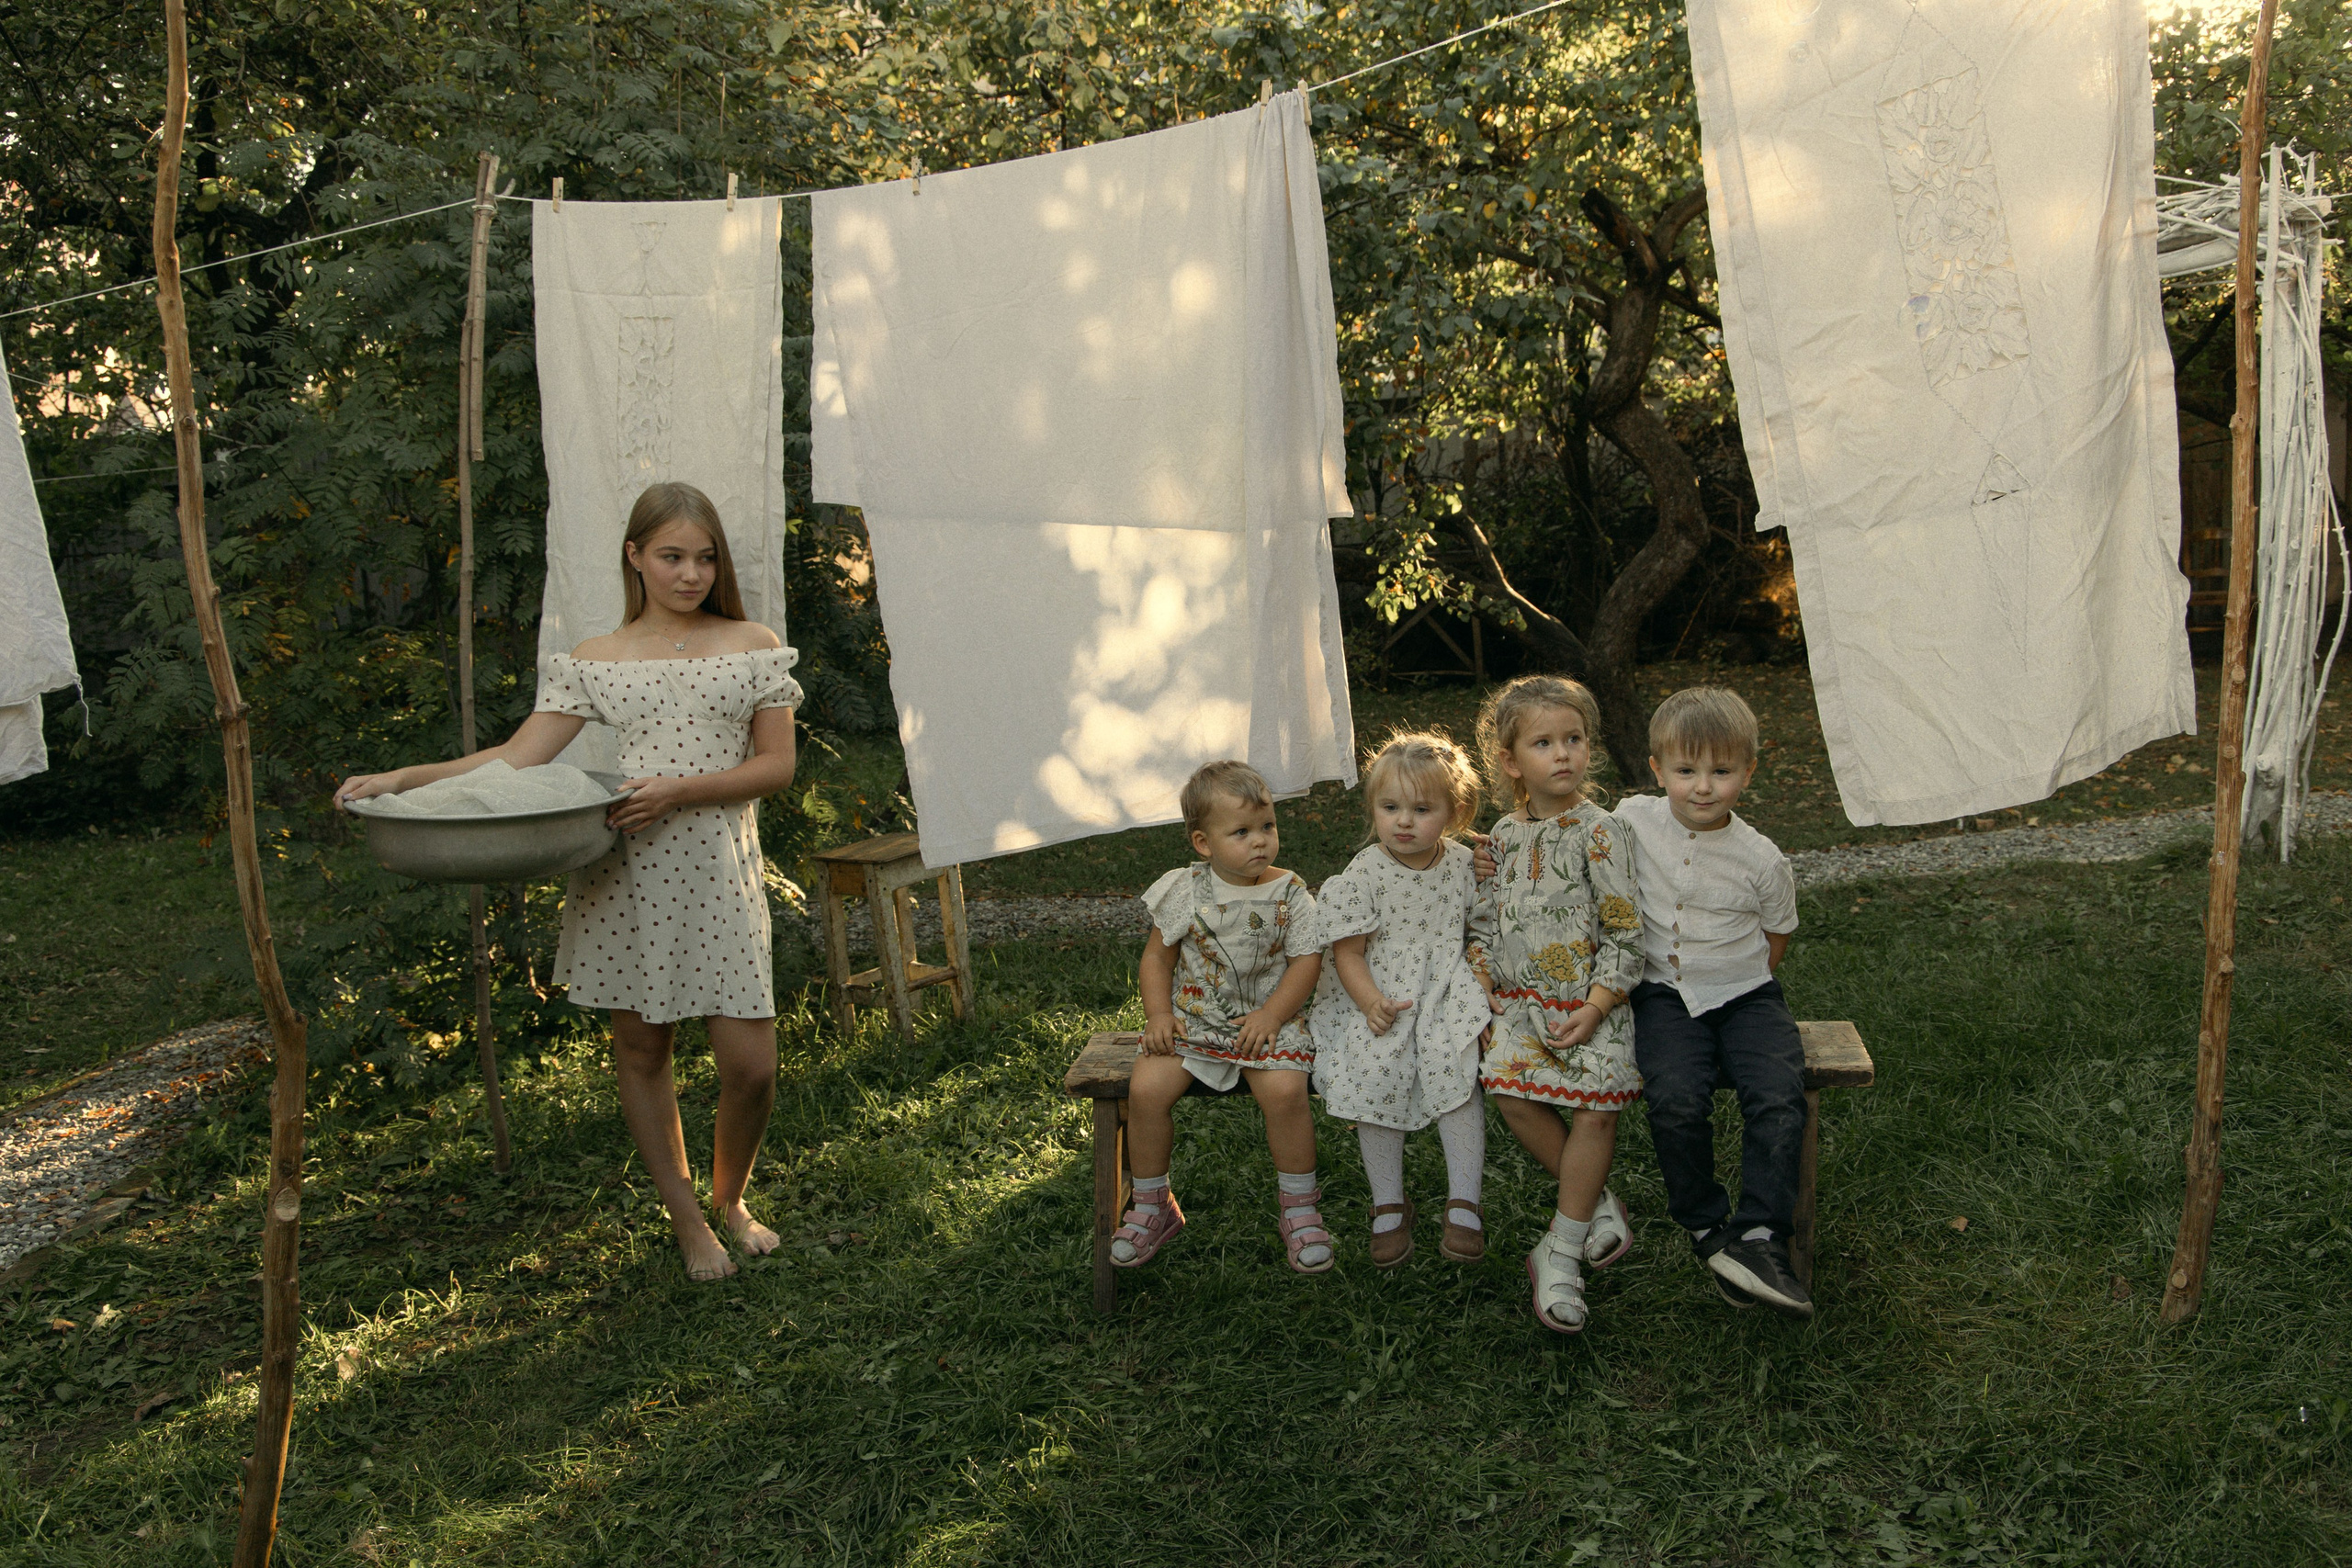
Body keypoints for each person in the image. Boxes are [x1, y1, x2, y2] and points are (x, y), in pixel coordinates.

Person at [336, 481, 800, 1283]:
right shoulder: (598, 659)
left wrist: (678, 791)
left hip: (720, 873)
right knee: (642, 1046)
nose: (690, 573)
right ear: (635, 557)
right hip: (624, 873)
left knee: (750, 1064)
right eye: (671, 556)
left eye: (704, 556)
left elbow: (777, 767)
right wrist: (407, 778)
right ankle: (689, 1221)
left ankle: (733, 1200)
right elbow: (518, 759)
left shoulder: (751, 644)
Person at [1613, 686, 1812, 1318]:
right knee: (1674, 1097)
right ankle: (1707, 1228)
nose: (1703, 786)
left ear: (1747, 772)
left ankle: (1760, 1237)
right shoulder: (1631, 819)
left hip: (1747, 993)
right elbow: (1563, 838)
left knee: (1778, 1094)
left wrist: (1739, 980)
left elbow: (1778, 934)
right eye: (1686, 770)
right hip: (1662, 995)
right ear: (1657, 769)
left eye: (1722, 771)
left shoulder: (1761, 859)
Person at [1473, 676, 1643, 1333]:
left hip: (1593, 1001)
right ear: (1513, 762)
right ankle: (1594, 1201)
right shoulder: (1503, 837)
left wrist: (1598, 1007)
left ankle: (1561, 1251)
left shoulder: (1603, 832)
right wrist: (1483, 979)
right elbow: (1488, 923)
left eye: (1573, 738)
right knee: (1510, 1092)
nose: (1563, 753)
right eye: (1544, 742)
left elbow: (1627, 931)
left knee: (1596, 1112)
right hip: (1519, 1007)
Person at [1120, 761, 1334, 1273]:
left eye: (1267, 827)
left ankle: (1300, 1208)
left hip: (1271, 1021)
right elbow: (1157, 958)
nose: (1259, 841)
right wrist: (1158, 1015)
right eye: (1241, 832)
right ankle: (1152, 1204)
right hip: (1194, 1020)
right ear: (1203, 842)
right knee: (1146, 1090)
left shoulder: (1290, 893)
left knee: (1284, 1093)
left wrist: (1272, 1014)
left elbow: (1307, 961)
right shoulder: (1184, 890)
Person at [1309, 733, 1497, 1269]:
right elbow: (1348, 953)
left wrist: (1481, 981)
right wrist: (1370, 1002)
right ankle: (1388, 1201)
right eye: (1390, 808)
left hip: (1447, 989)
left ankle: (1465, 1201)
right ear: (1373, 809)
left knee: (1457, 1071)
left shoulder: (1464, 864)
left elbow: (1482, 930)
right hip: (1378, 990)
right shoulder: (1365, 872)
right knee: (1374, 1068)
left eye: (1422, 809)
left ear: (1455, 813)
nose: (1404, 822)